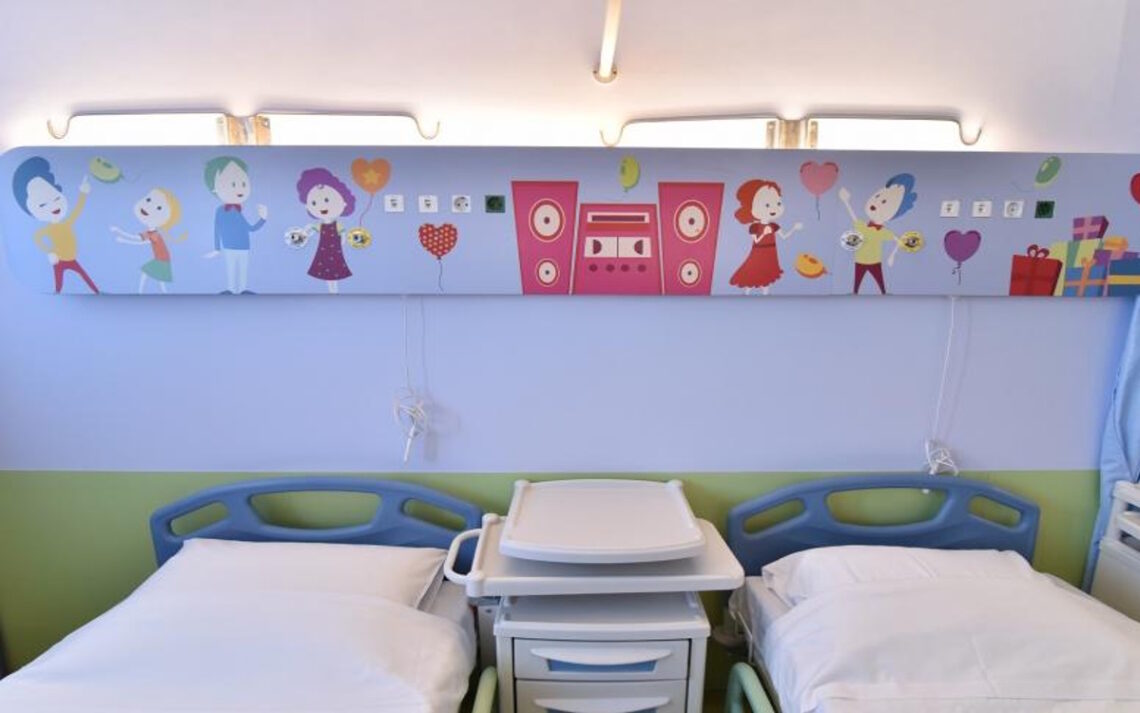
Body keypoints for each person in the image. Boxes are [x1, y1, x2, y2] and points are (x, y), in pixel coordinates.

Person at [12, 157, 99, 293]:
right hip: (59, 260)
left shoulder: (66, 224)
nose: (53, 206)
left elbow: (77, 210)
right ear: (32, 212)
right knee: (59, 283)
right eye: (42, 205)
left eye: (56, 198)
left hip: (72, 258)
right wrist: (50, 252)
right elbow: (37, 238)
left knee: (84, 276)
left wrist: (83, 193)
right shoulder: (47, 230)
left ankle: (96, 291)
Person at [838, 173, 918, 294]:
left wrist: (892, 256)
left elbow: (899, 241)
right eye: (877, 196)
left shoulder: (883, 232)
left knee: (879, 280)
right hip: (860, 259)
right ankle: (855, 293)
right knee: (857, 281)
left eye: (884, 202)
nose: (876, 203)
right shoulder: (863, 226)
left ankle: (883, 293)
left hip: (875, 261)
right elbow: (853, 217)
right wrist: (846, 202)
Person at [203, 156, 267, 294]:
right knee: (231, 269)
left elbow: (250, 228)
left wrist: (263, 218)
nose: (239, 189)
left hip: (244, 246)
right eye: (233, 184)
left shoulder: (238, 210)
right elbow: (216, 229)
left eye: (243, 184)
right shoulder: (221, 210)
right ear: (215, 189)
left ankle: (242, 290)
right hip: (230, 247)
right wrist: (216, 248)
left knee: (243, 269)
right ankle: (231, 290)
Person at [729, 179, 802, 295]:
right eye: (767, 205)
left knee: (767, 275)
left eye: (778, 203)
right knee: (753, 273)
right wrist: (764, 233)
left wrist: (794, 228)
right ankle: (746, 295)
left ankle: (765, 297)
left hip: (771, 252)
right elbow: (756, 241)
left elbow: (784, 236)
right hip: (758, 252)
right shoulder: (754, 226)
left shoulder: (774, 225)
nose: (773, 209)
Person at [110, 188, 187, 294]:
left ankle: (142, 292)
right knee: (157, 279)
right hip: (161, 259)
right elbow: (136, 237)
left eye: (159, 208)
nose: (149, 207)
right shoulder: (150, 232)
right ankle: (151, 292)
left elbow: (140, 242)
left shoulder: (154, 234)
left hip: (162, 260)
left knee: (151, 276)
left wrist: (123, 239)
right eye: (148, 200)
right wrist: (119, 232)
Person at [295, 167, 356, 294]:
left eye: (327, 200)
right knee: (326, 273)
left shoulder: (337, 224)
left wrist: (343, 240)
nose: (322, 206)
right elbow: (311, 231)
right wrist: (305, 232)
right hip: (324, 252)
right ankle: (331, 291)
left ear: (344, 202)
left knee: (335, 271)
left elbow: (343, 234)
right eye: (314, 203)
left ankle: (334, 291)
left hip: (335, 251)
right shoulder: (320, 225)